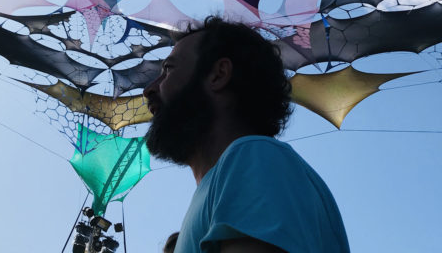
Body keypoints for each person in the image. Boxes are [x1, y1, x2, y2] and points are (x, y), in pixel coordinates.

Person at [143, 17, 350, 253]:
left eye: (169, 69)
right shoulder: (227, 179)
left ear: (218, 75)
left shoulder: (254, 156)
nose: (149, 89)